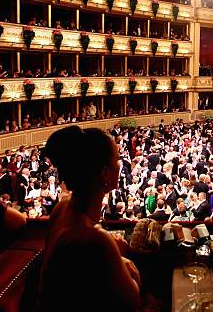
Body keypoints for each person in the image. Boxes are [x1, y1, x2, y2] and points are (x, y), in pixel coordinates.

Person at [39, 126, 141, 310]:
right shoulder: (95, 238)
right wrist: (119, 259)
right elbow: (133, 299)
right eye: (117, 159)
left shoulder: (62, 208)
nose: (121, 164)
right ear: (104, 173)